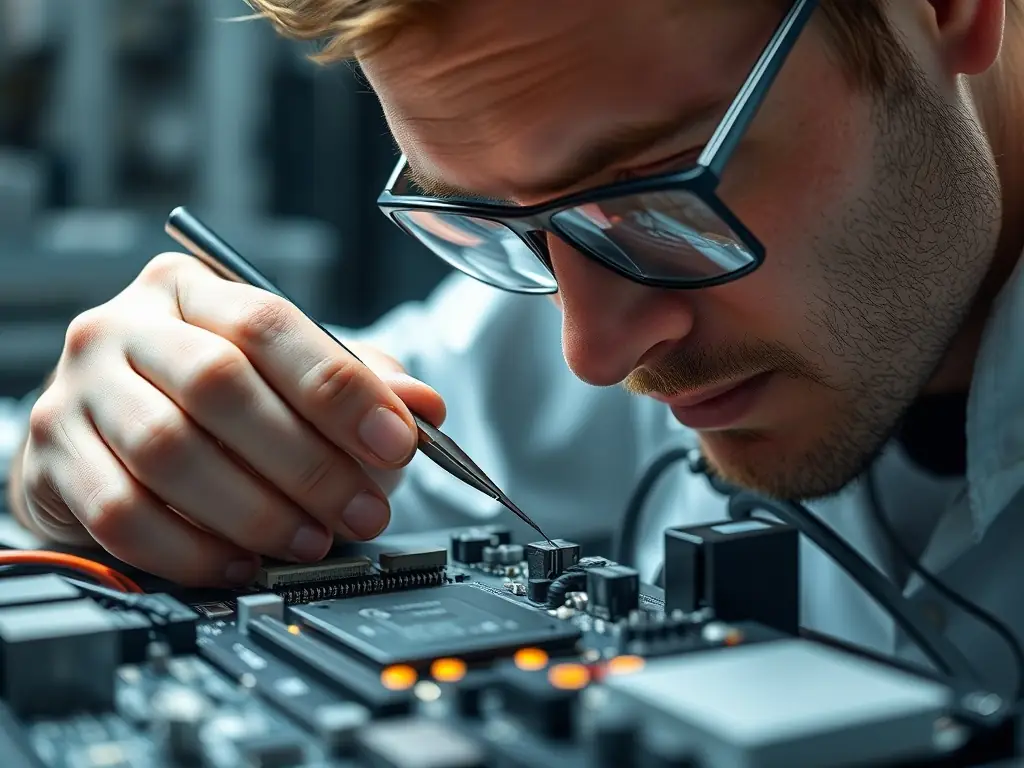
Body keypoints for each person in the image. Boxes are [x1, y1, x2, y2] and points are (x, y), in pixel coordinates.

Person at [5, 0, 1024, 692]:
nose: (594, 352)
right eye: (498, 226)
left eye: (664, 197)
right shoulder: (562, 332)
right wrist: (93, 451)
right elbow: (179, 440)